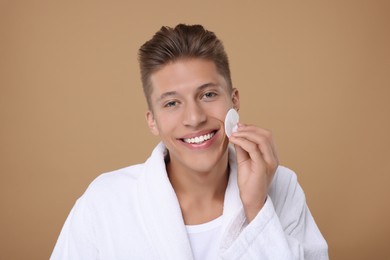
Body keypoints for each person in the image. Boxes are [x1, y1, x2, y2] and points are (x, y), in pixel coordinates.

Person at [51, 24, 328, 260]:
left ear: (234, 100)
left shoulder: (282, 186)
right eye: (172, 103)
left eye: (208, 95)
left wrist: (257, 208)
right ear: (152, 120)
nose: (194, 118)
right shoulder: (105, 202)